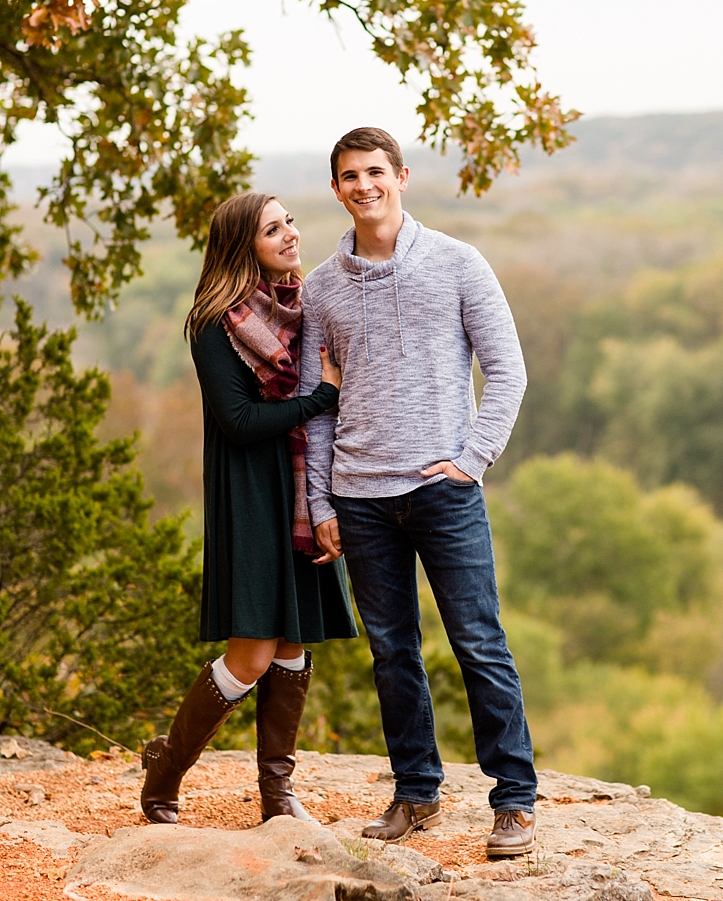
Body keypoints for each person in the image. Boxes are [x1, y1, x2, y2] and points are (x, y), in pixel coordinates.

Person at [300, 128, 538, 859]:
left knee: (479, 643)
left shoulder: (458, 263)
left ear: (401, 176)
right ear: (336, 189)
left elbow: (508, 372)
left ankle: (515, 802)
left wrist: (472, 459)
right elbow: (314, 408)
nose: (364, 185)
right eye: (349, 176)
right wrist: (321, 504)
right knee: (392, 652)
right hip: (361, 497)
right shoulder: (320, 288)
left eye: (376, 171)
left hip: (443, 491)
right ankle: (415, 792)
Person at [140, 191, 357, 825]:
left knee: (292, 643)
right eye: (272, 229)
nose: (291, 234)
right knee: (252, 654)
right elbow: (237, 422)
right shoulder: (214, 324)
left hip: (299, 489)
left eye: (289, 221)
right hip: (251, 495)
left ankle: (277, 795)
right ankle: (165, 773)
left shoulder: (301, 308)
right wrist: (321, 398)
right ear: (244, 248)